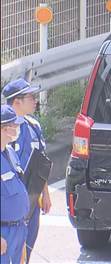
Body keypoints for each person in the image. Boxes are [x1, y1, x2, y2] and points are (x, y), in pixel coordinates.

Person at [2, 79, 51, 263]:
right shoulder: (5, 131)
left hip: (30, 201)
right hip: (8, 208)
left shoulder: (33, 126)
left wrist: (45, 194)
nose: (35, 100)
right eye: (31, 97)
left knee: (26, 251)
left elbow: (41, 162)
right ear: (17, 102)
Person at [1, 105, 29, 264]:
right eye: (15, 126)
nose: (18, 129)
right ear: (4, 129)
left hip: (18, 229)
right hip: (3, 233)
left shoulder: (10, 152)